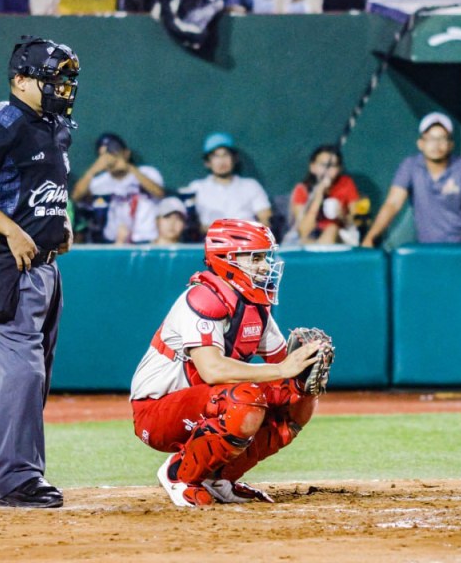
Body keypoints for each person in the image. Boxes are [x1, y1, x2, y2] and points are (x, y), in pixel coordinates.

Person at [0, 36, 80, 509]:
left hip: (46, 267)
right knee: (22, 374)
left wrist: (58, 223)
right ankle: (19, 479)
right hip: (9, 265)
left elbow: (43, 187)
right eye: (52, 78)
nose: (62, 87)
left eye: (66, 79)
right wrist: (11, 231)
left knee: (32, 377)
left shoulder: (56, 125)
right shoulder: (2, 121)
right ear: (20, 81)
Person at [130, 218, 326, 507]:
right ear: (226, 259)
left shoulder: (254, 306)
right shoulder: (202, 298)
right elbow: (212, 369)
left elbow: (285, 371)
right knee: (245, 399)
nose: (264, 266)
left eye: (265, 257)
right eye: (256, 257)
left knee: (296, 398)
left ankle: (218, 479)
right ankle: (180, 474)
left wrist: (304, 371)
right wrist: (284, 369)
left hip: (206, 400)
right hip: (157, 410)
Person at [361, 112, 461, 263]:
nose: (436, 144)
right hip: (429, 253)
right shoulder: (410, 166)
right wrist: (370, 238)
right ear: (420, 143)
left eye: (442, 138)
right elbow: (392, 204)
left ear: (451, 144)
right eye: (431, 139)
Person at [71, 132, 165, 244]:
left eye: (113, 153)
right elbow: (75, 197)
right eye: (104, 156)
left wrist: (129, 167)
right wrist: (93, 170)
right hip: (114, 241)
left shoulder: (147, 172)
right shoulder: (99, 182)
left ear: (126, 154)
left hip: (147, 240)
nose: (110, 159)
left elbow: (159, 193)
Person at [184, 132, 272, 234]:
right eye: (216, 156)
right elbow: (190, 224)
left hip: (246, 242)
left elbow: (266, 219)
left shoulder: (251, 185)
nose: (221, 161)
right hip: (210, 242)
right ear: (207, 162)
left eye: (225, 155)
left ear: (234, 159)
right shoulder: (196, 188)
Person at [288, 144, 361, 245]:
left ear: (339, 169)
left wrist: (342, 215)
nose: (328, 170)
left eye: (333, 166)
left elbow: (357, 220)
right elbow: (303, 230)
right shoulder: (302, 189)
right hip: (312, 236)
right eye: (323, 165)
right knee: (304, 241)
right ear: (312, 167)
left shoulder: (346, 183)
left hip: (341, 235)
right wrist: (318, 196)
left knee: (332, 229)